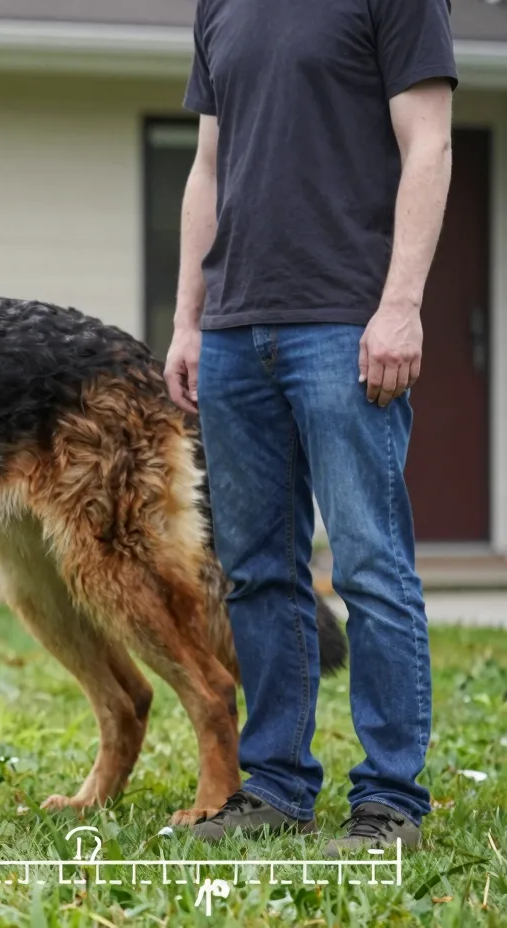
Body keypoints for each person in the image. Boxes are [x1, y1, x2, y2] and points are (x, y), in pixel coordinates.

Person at [165, 0, 457, 855]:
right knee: (257, 571)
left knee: (369, 567)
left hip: (345, 324)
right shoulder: (219, 6)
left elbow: (429, 145)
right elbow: (207, 167)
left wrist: (400, 306)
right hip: (233, 331)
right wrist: (188, 319)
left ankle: (391, 799)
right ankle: (279, 786)